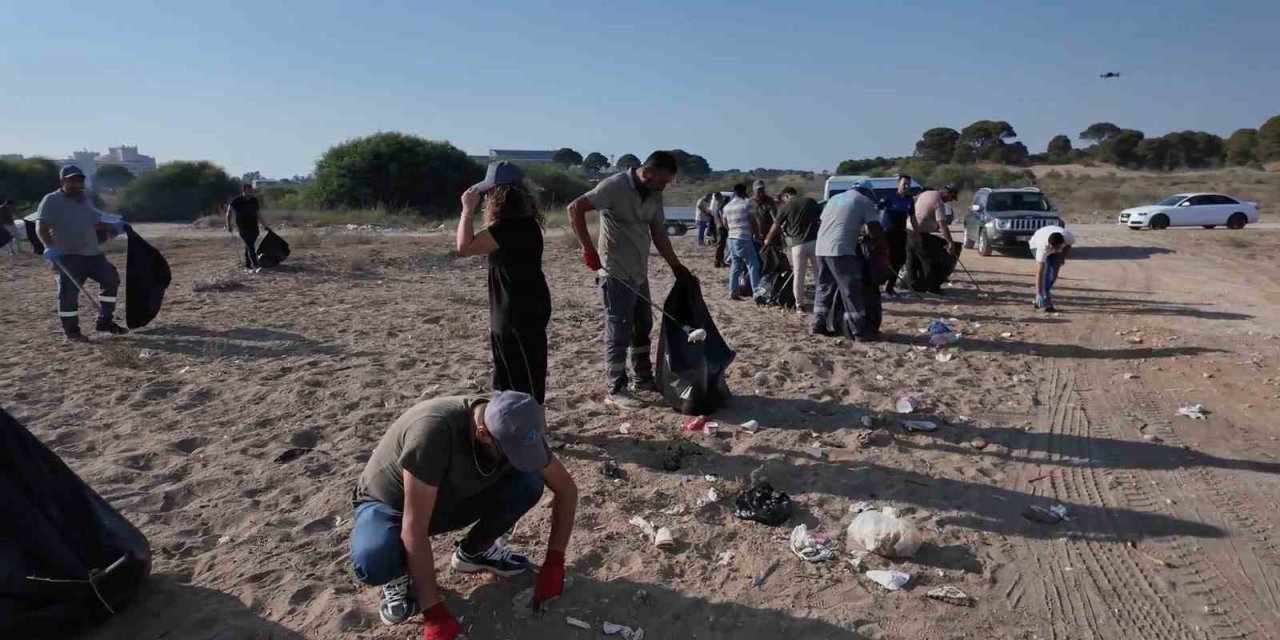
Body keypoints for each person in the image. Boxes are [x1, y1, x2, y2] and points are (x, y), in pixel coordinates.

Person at [349, 392, 577, 638]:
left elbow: (567, 489)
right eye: (511, 452)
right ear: (483, 434)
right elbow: (413, 527)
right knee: (374, 558)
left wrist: (555, 562)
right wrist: (433, 613)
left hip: (451, 495)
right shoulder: (433, 432)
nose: (518, 456)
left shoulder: (517, 424)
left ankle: (475, 551)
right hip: (392, 505)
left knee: (529, 482)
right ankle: (397, 576)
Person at [566, 151, 692, 410]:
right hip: (614, 271)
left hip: (639, 272)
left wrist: (677, 266)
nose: (664, 186)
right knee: (618, 328)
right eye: (661, 181)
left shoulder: (655, 195)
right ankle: (615, 387)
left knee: (643, 324)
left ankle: (642, 379)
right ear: (646, 172)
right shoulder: (613, 187)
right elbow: (575, 208)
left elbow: (659, 234)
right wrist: (587, 250)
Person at [456, 162, 551, 404]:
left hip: (515, 310)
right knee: (526, 371)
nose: (486, 199)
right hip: (525, 305)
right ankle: (527, 423)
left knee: (516, 375)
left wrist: (467, 211)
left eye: (489, 193)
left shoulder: (510, 227)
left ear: (500, 195)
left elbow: (464, 247)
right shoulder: (525, 223)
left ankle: (527, 427)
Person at [33, 165, 128, 342]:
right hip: (67, 256)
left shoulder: (85, 199)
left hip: (93, 254)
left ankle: (105, 321)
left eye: (80, 180)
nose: (77, 184)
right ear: (62, 182)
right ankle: (72, 333)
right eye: (72, 181)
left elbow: (91, 222)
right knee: (68, 295)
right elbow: (41, 226)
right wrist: (48, 246)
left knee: (111, 279)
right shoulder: (51, 200)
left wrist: (114, 225)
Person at [812, 179, 889, 342]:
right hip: (840, 250)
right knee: (850, 289)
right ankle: (859, 331)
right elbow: (875, 229)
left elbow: (825, 221)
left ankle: (818, 324)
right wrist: (883, 249)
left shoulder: (835, 199)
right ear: (867, 192)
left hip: (821, 248)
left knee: (824, 287)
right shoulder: (864, 201)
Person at [763, 187, 821, 313]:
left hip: (797, 244)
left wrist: (768, 239)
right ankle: (821, 302)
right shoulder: (810, 201)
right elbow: (820, 218)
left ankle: (799, 305)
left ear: (786, 196)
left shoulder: (786, 207)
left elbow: (776, 225)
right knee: (818, 273)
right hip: (815, 242)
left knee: (799, 274)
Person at [906, 184, 959, 295]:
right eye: (951, 197)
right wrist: (950, 243)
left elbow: (921, 212)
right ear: (947, 192)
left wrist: (933, 227)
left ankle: (913, 287)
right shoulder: (938, 202)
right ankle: (932, 288)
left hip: (909, 230)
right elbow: (943, 225)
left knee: (912, 261)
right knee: (930, 262)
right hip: (919, 234)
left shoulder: (926, 193)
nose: (950, 201)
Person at [722, 183, 763, 302]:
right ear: (744, 191)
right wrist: (756, 234)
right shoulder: (746, 203)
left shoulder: (727, 206)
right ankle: (756, 292)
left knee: (735, 266)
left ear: (734, 192)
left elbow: (725, 223)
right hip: (744, 238)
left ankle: (733, 291)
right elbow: (753, 221)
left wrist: (732, 230)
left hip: (732, 239)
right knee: (753, 265)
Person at [878, 175, 915, 296]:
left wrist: (917, 232)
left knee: (899, 260)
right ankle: (878, 283)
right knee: (885, 259)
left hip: (901, 233)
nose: (906, 186)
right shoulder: (889, 197)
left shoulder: (909, 199)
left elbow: (913, 218)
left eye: (908, 184)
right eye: (904, 183)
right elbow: (877, 210)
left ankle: (890, 286)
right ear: (898, 183)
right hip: (887, 233)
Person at [226, 183, 271, 272]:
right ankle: (256, 265)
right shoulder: (236, 201)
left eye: (251, 189)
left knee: (249, 246)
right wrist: (229, 225)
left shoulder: (254, 200)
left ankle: (247, 266)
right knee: (250, 246)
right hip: (242, 227)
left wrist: (265, 225)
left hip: (254, 226)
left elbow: (258, 214)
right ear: (244, 190)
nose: (250, 191)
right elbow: (229, 213)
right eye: (248, 189)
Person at [1029, 225, 1075, 312]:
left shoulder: (1068, 237)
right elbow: (1040, 272)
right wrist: (1038, 293)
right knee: (1046, 271)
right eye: (1053, 247)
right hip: (1035, 245)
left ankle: (1044, 296)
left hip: (1054, 238)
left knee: (1053, 273)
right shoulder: (1042, 247)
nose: (1054, 249)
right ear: (1050, 244)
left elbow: (1068, 246)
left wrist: (1062, 258)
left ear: (1062, 243)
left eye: (1057, 247)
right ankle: (1044, 299)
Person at [751, 180, 779, 247]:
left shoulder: (770, 202)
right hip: (754, 236)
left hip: (768, 236)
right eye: (758, 190)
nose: (761, 193)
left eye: (762, 190)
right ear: (754, 191)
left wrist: (769, 237)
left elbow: (776, 220)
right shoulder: (750, 202)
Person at [712, 191, 729, 268]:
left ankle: (719, 261)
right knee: (721, 245)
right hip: (721, 227)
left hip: (718, 226)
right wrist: (726, 226)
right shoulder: (720, 205)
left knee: (721, 245)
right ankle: (718, 261)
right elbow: (722, 216)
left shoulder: (716, 205)